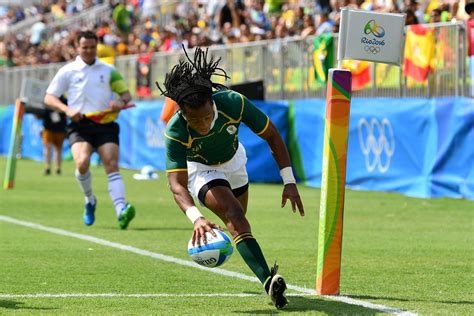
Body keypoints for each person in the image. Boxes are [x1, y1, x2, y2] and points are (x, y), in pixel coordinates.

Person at [157, 47, 305, 309]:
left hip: (235, 162)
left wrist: (289, 181)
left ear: (212, 102)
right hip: (200, 169)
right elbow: (176, 184)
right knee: (234, 214)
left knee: (239, 221)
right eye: (195, 121)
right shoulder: (176, 130)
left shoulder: (233, 102)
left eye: (206, 116)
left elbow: (272, 135)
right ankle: (270, 282)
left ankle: (241, 247)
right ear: (181, 112)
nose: (202, 125)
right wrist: (196, 217)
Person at [44, 30, 136, 230]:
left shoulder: (108, 70)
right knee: (82, 163)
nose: (88, 51)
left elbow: (126, 94)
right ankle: (89, 200)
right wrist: (67, 109)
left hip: (105, 124)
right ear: (77, 47)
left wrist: (119, 102)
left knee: (111, 164)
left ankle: (121, 210)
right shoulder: (68, 71)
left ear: (97, 47)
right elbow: (49, 97)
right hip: (80, 125)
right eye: (84, 47)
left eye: (92, 47)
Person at [41, 95, 68, 176]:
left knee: (58, 149)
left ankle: (58, 168)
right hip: (48, 128)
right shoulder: (47, 98)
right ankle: (47, 167)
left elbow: (67, 112)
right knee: (48, 147)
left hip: (60, 128)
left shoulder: (64, 100)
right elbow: (42, 112)